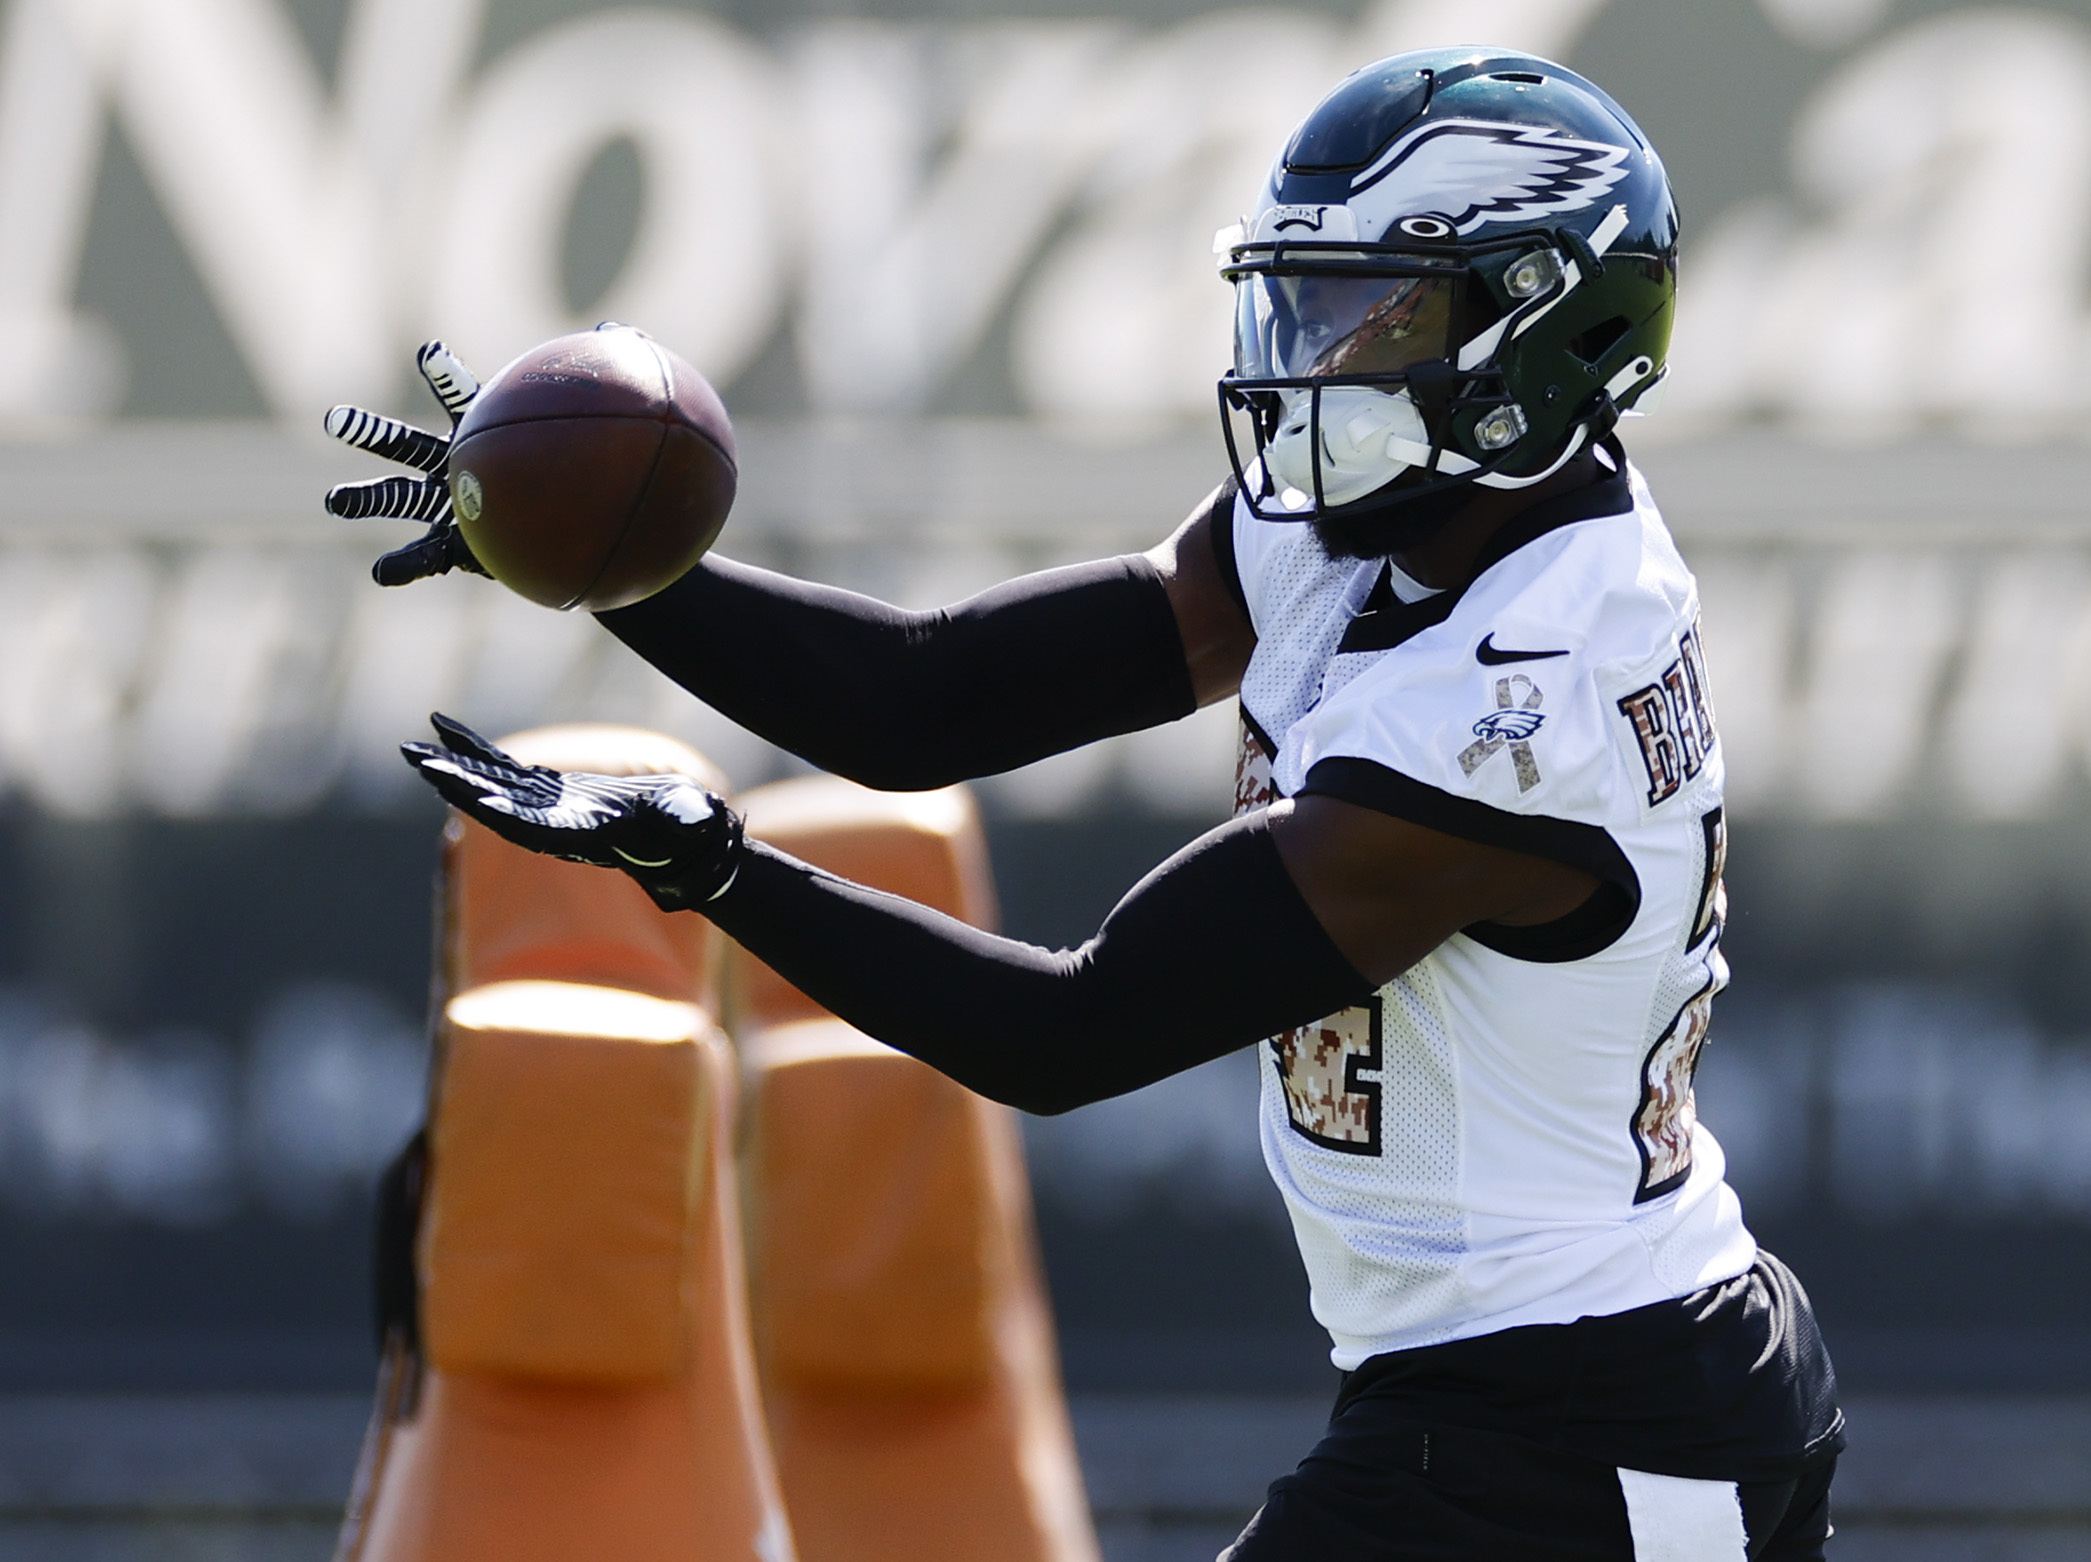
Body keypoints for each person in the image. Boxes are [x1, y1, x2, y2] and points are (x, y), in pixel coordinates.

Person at [328, 47, 1842, 1561]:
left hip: (1589, 1421)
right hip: (1529, 1397)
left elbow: (1073, 1028)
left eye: (1383, 310)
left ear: (1543, 328)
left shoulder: (1530, 687)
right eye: (1309, 302)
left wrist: (721, 872)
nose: (1320, 354)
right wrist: (607, 560)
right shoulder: (1397, 522)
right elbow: (931, 700)